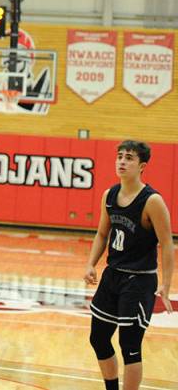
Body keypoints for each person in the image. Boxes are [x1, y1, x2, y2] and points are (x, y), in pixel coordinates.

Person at [85, 140, 174, 390]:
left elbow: (167, 244)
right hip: (112, 275)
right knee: (98, 339)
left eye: (129, 158)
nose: (122, 161)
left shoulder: (152, 201)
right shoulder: (110, 195)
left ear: (142, 165)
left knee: (130, 347)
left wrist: (166, 285)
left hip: (139, 280)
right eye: (120, 156)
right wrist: (90, 264)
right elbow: (102, 234)